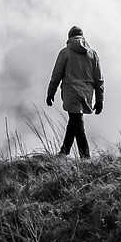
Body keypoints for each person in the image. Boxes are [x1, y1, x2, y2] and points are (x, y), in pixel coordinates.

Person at [46, 25, 104, 157]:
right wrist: (100, 100)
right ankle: (64, 152)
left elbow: (56, 75)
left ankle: (85, 157)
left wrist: (50, 93)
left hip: (71, 92)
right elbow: (99, 79)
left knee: (78, 124)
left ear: (69, 37)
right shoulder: (93, 54)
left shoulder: (65, 52)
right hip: (86, 94)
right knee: (74, 121)